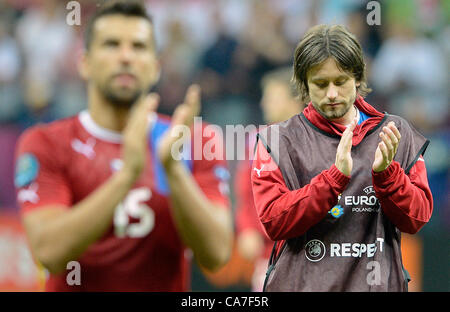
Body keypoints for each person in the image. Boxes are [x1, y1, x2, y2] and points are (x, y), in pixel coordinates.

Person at [14, 1, 233, 291]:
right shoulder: (46, 142)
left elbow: (217, 255)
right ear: (84, 63)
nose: (126, 56)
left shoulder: (192, 140)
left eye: (139, 47)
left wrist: (173, 169)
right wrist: (127, 174)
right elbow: (49, 253)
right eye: (112, 45)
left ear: (156, 67)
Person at [251, 24, 433, 292]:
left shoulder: (396, 133)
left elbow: (416, 218)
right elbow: (273, 222)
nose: (332, 93)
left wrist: (387, 175)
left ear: (357, 78)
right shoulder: (277, 140)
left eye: (341, 81)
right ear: (304, 84)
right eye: (321, 84)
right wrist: (334, 180)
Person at [234, 67, 304, 291]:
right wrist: (245, 229)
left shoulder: (317, 140)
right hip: (268, 258)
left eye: (272, 97)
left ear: (295, 101)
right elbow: (244, 192)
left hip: (311, 255)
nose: (264, 103)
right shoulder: (256, 140)